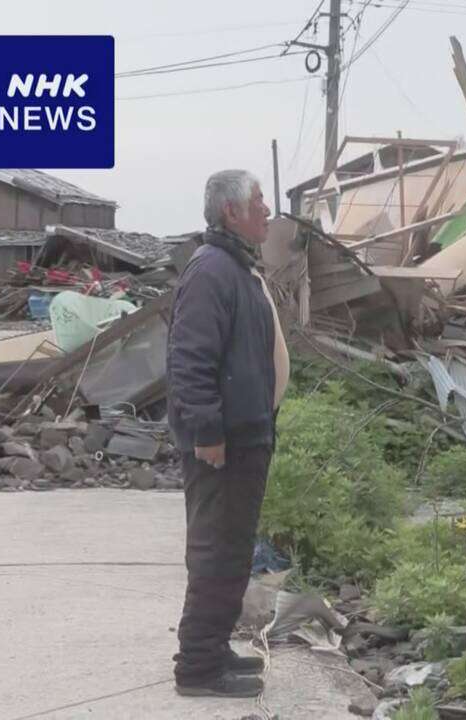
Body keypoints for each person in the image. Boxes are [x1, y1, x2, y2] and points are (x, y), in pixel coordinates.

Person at [166, 170, 290, 697]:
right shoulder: (211, 271)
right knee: (216, 552)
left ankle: (213, 648)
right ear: (230, 213)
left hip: (248, 437)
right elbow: (189, 362)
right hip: (223, 444)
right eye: (258, 202)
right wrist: (207, 432)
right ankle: (196, 668)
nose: (267, 210)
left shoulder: (237, 269)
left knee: (234, 551)